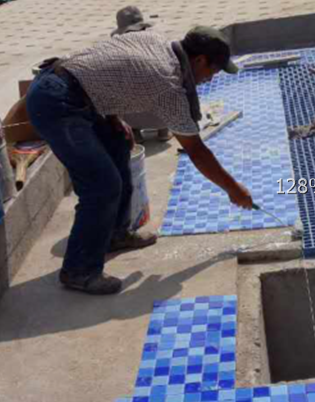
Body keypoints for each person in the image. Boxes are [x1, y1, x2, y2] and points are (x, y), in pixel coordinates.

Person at [26, 26, 253, 295]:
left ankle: (115, 234)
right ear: (200, 60)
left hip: (74, 90)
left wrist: (112, 114)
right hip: (56, 102)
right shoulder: (168, 83)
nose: (210, 79)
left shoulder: (157, 41)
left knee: (118, 143)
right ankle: (79, 270)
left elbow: (105, 68)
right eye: (212, 71)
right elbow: (196, 150)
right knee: (102, 186)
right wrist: (233, 188)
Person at [111, 5, 172, 143]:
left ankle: (135, 133)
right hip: (163, 114)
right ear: (143, 27)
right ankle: (163, 131)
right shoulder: (158, 40)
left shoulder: (115, 48)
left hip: (132, 115)